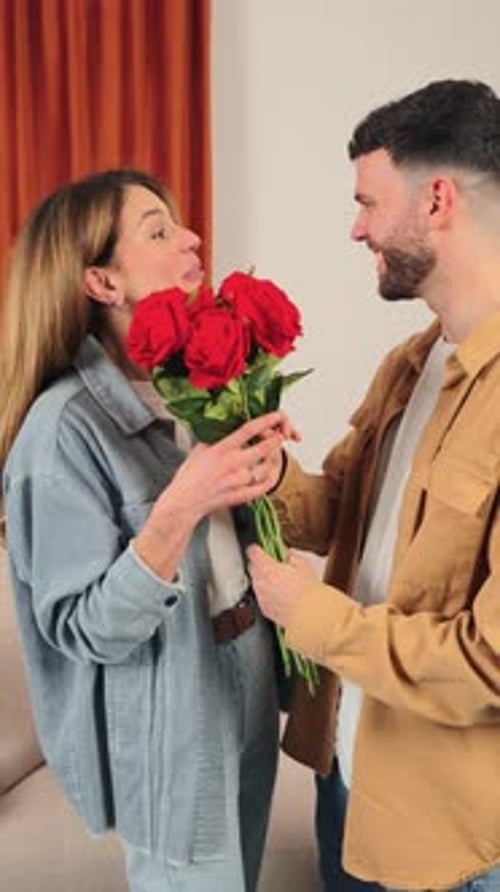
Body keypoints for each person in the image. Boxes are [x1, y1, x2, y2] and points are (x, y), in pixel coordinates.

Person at [0, 168, 290, 892]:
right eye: (158, 231)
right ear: (102, 282)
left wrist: (266, 472)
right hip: (170, 706)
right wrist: (176, 509)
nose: (191, 238)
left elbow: (229, 545)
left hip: (247, 672)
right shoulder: (61, 431)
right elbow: (83, 627)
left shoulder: (196, 389)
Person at [246, 79, 500, 892]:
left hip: (450, 847)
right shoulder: (414, 362)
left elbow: (488, 666)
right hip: (346, 784)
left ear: (436, 199)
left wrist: (310, 616)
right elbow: (342, 511)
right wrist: (262, 465)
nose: (356, 228)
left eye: (367, 202)